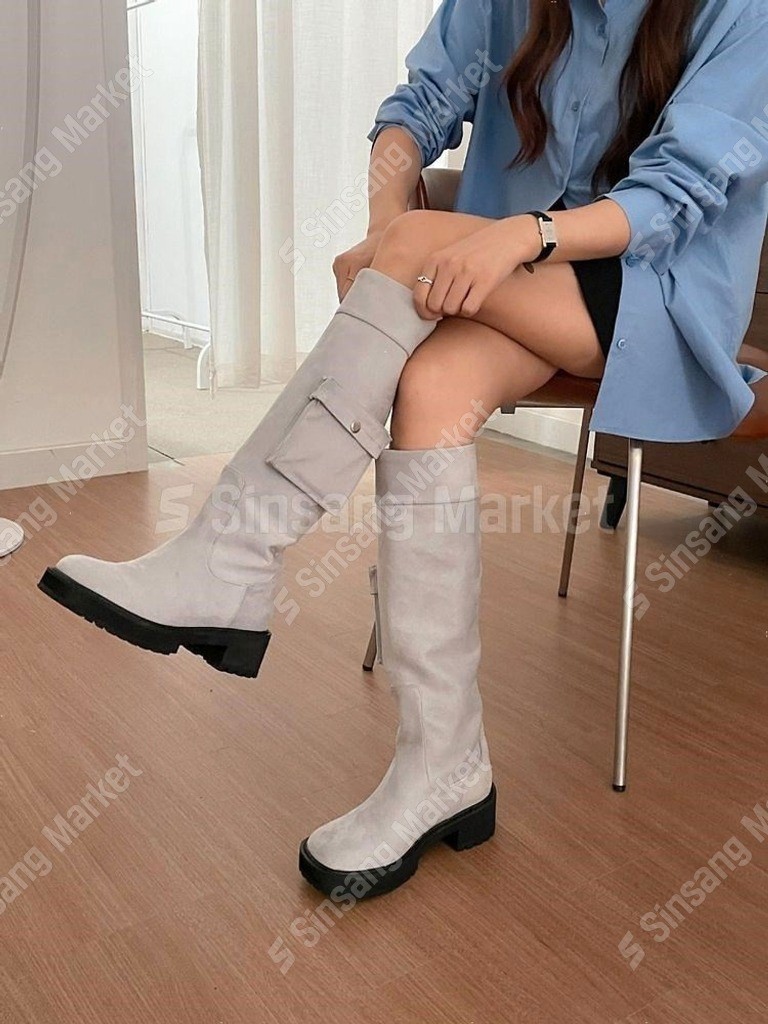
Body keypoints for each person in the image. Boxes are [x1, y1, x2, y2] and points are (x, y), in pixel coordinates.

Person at [39, 0, 768, 899]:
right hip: (513, 272)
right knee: (430, 389)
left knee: (422, 242)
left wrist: (513, 236)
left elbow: (681, 190)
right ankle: (445, 762)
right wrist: (389, 221)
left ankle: (232, 556)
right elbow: (416, 107)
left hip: (658, 285)